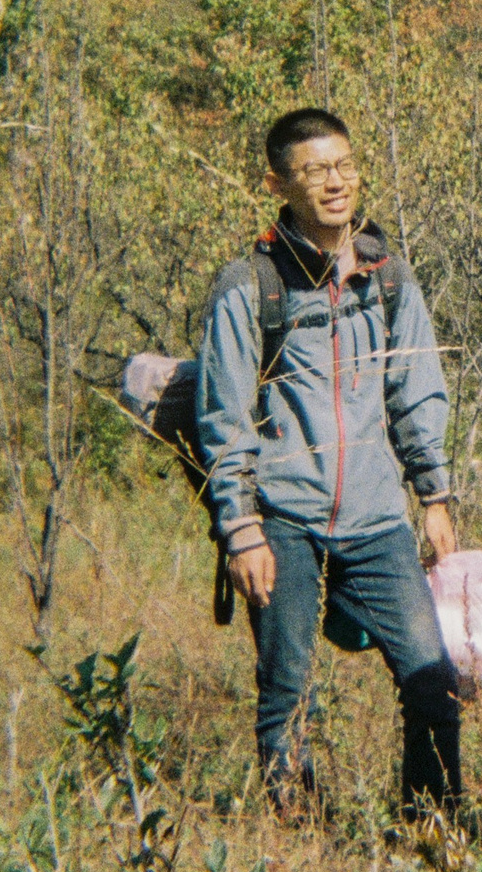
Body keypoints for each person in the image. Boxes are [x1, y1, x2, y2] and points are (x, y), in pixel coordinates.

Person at [196, 106, 464, 827]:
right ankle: (299, 845)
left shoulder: (389, 276)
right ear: (278, 182)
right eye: (314, 170)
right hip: (284, 517)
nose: (335, 181)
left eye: (343, 164)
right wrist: (241, 529)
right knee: (289, 691)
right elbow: (223, 414)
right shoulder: (250, 284)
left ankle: (431, 829)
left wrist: (434, 495)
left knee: (433, 680)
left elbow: (417, 388)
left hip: (377, 517)